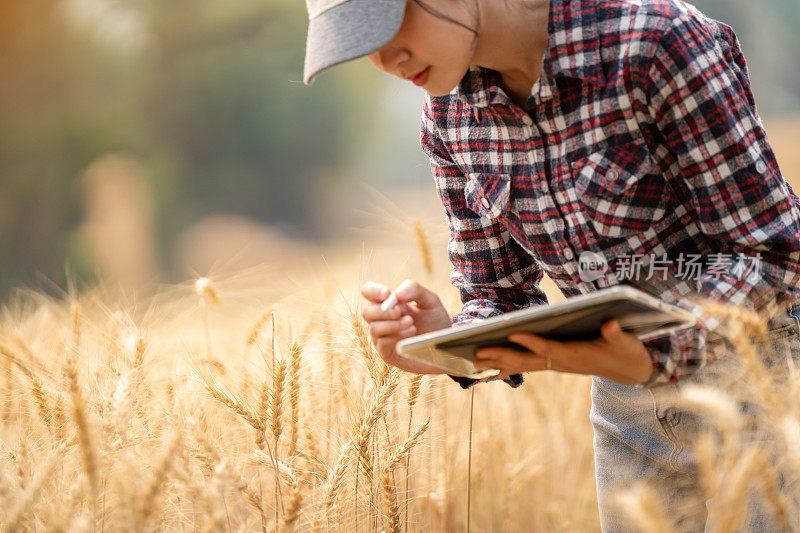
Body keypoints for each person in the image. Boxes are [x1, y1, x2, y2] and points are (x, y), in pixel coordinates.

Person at [302, 0, 800, 529]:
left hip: (761, 375)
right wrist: (448, 344)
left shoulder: (655, 41)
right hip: (624, 401)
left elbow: (773, 254)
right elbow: (498, 295)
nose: (386, 59)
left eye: (388, 25)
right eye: (360, 47)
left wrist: (654, 354)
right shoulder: (447, 117)